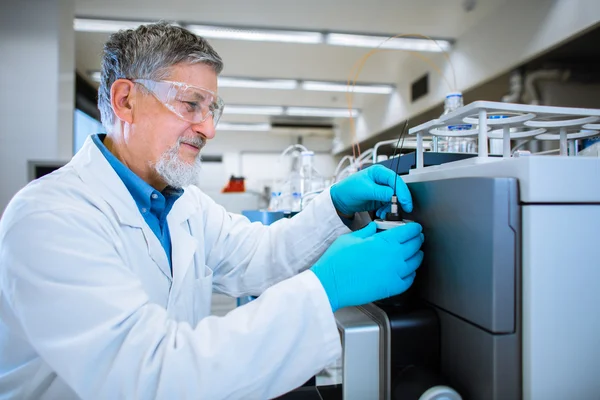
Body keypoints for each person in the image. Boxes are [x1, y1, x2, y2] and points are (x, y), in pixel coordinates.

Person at [0, 23, 424, 399]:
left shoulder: (183, 202)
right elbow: (150, 376)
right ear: (126, 100)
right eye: (191, 105)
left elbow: (261, 256)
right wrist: (325, 288)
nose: (209, 128)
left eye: (212, 109)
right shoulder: (49, 218)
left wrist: (334, 205)